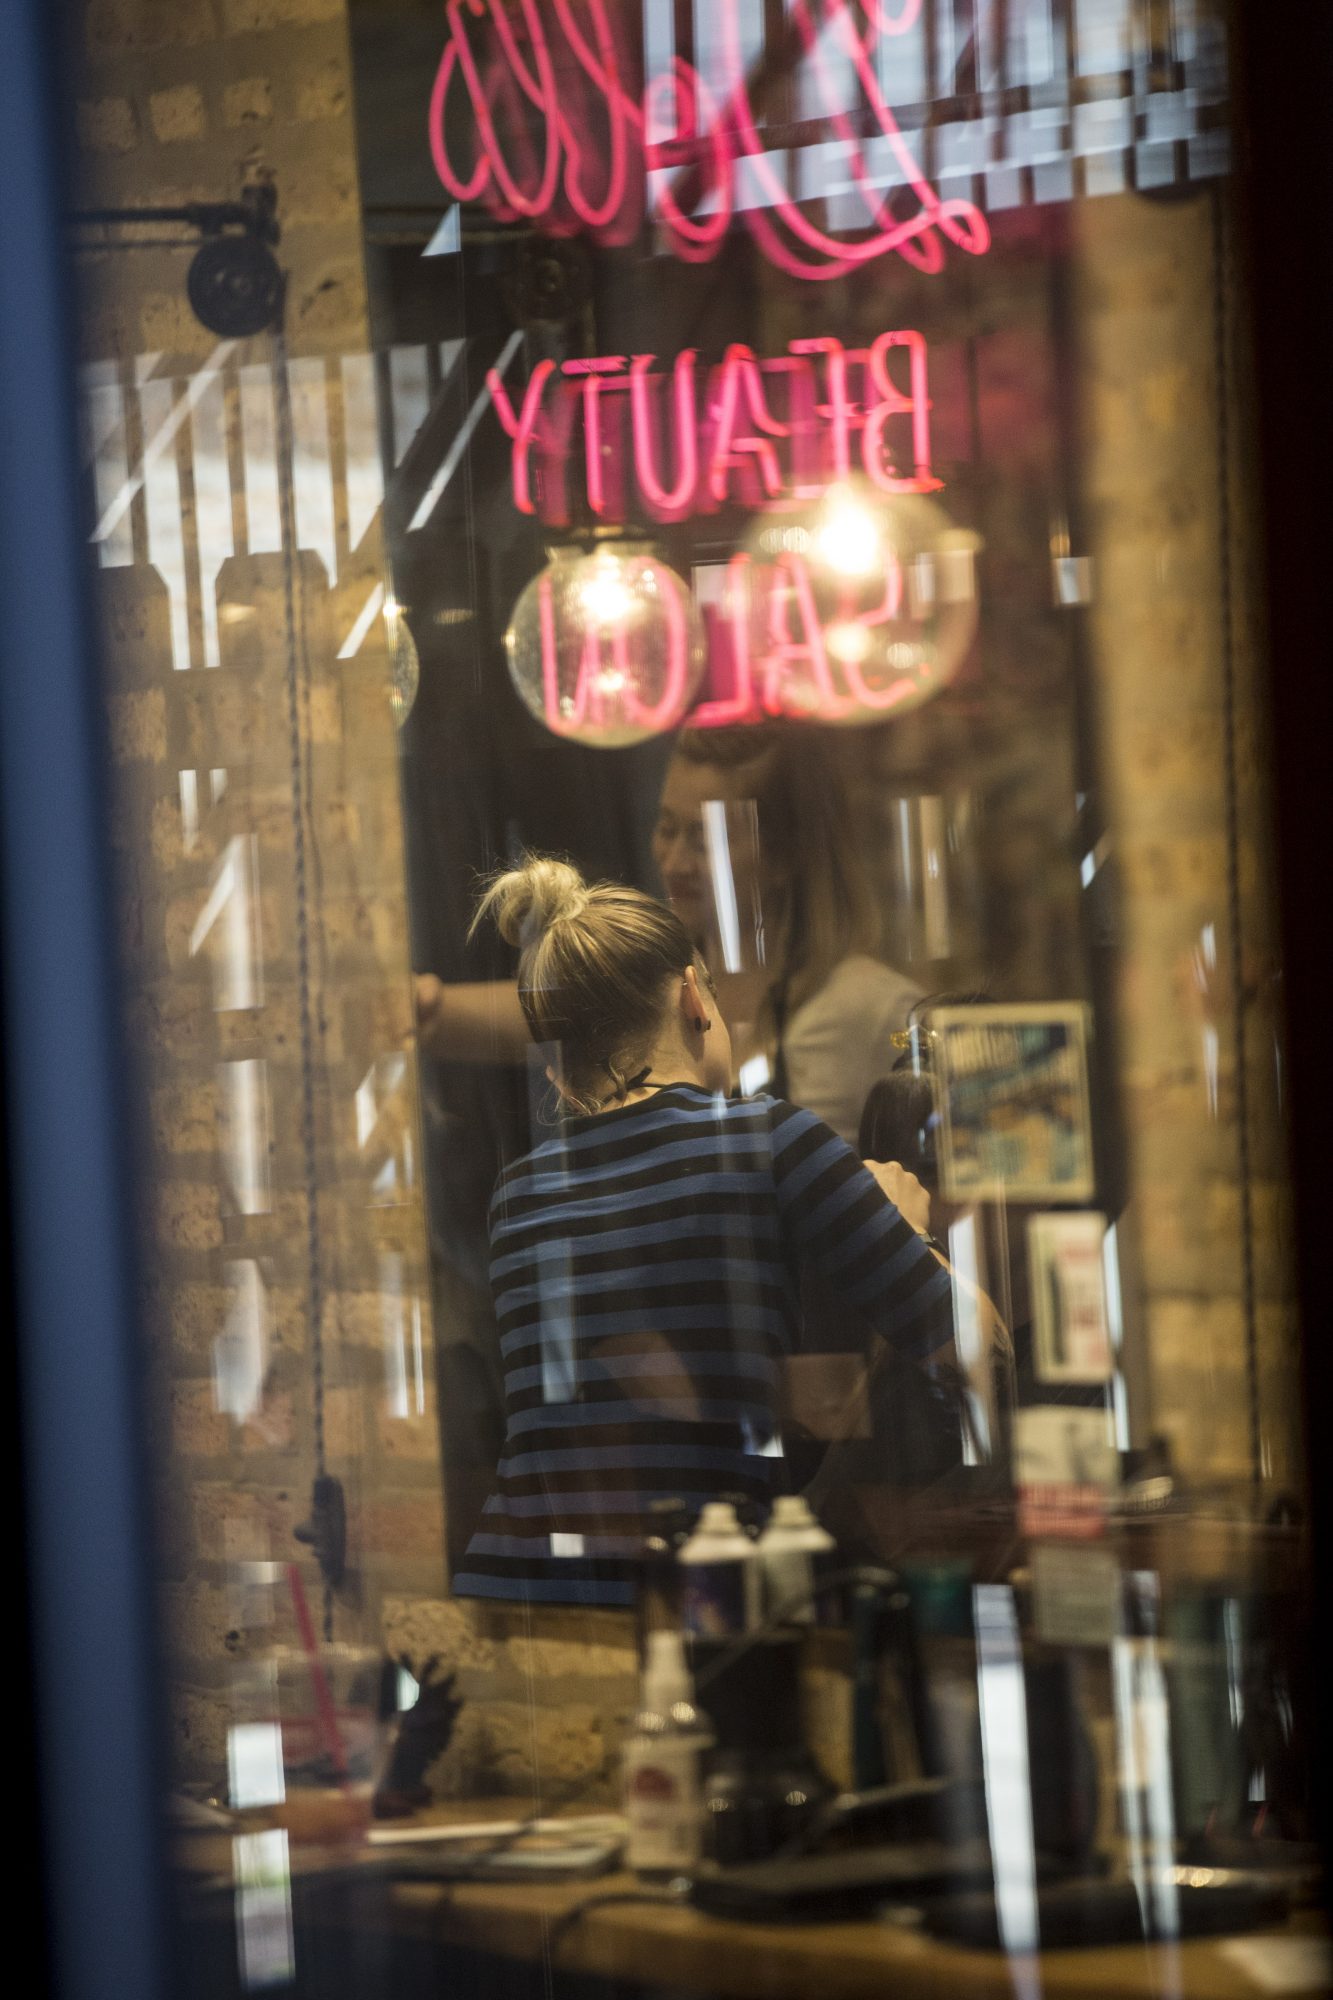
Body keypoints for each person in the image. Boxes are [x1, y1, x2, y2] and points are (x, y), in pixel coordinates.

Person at [452, 855, 963, 1607]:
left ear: (558, 1069)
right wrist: (909, 1231)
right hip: (685, 1600)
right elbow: (972, 1349)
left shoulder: (518, 1194)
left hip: (511, 1589)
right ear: (694, 998)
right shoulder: (772, 1139)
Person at [651, 727, 920, 1143]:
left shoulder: (866, 1008)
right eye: (668, 829)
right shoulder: (656, 997)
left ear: (783, 854)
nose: (674, 863)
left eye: (706, 840)